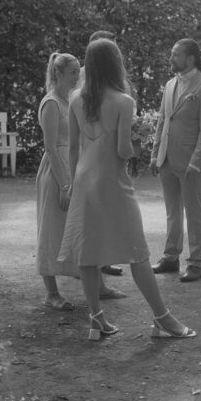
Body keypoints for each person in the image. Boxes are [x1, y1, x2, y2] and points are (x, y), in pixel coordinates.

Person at [58, 38, 195, 341]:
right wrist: (137, 142)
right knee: (137, 250)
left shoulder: (76, 97)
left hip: (82, 178)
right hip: (111, 180)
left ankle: (96, 321)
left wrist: (69, 183)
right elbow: (122, 151)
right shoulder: (123, 101)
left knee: (88, 249)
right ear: (115, 64)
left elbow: (73, 148)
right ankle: (162, 318)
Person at [36, 52, 125, 311]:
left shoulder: (75, 100)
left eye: (79, 71)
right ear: (59, 74)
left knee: (85, 227)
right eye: (74, 72)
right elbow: (51, 148)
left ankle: (99, 286)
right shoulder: (51, 103)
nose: (78, 76)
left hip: (78, 167)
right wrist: (65, 184)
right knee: (51, 229)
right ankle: (52, 294)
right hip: (56, 172)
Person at [150, 38, 201, 282]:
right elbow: (163, 120)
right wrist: (155, 152)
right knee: (172, 212)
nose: (171, 59)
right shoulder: (170, 84)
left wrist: (196, 162)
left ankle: (196, 262)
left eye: (175, 55)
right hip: (167, 158)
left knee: (195, 212)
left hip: (190, 162)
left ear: (190, 58)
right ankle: (171, 257)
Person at [77, 28, 123, 278]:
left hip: (98, 152)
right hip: (95, 151)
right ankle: (93, 263)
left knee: (104, 212)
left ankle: (103, 261)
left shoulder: (115, 82)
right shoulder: (84, 78)